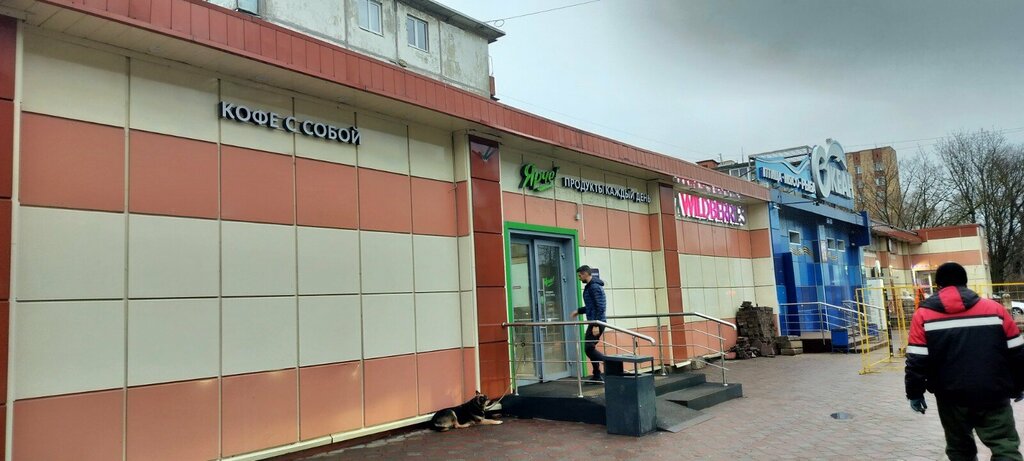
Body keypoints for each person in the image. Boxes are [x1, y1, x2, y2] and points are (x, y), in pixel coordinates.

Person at [905, 262, 1024, 461]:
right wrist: (1019, 385)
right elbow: (1017, 352)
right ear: (965, 282)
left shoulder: (923, 315)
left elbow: (916, 360)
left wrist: (915, 393)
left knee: (960, 451)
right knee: (1005, 447)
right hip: (994, 392)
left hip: (951, 397)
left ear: (938, 285)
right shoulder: (995, 310)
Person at [570, 265, 607, 382]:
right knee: (590, 348)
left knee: (589, 349)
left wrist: (596, 324)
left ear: (585, 274)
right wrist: (578, 311)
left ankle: (608, 362)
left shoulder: (594, 287)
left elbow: (600, 306)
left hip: (597, 322)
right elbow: (591, 306)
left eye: (580, 275)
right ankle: (596, 375)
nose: (579, 278)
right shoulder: (590, 286)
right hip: (595, 321)